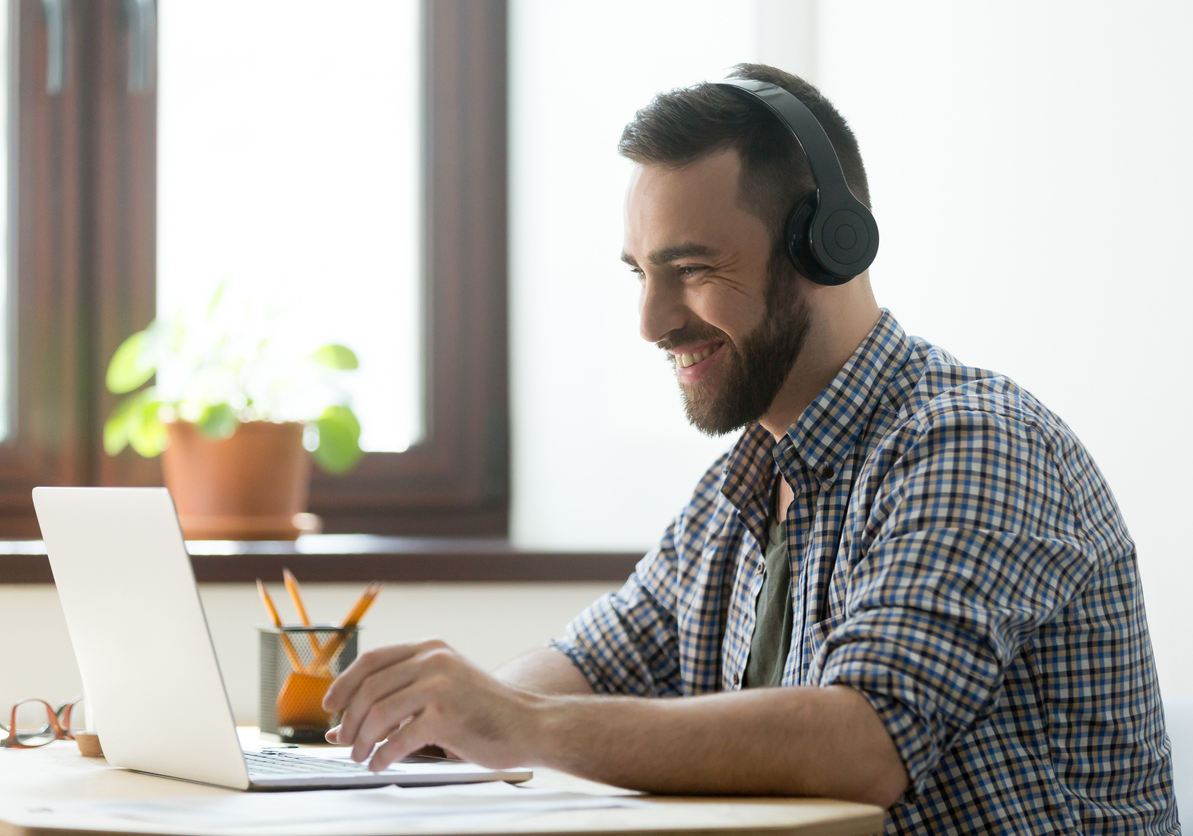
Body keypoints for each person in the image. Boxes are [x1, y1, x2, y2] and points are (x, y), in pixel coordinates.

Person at [322, 64, 1179, 833]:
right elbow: (593, 662)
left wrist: (519, 726)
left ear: (825, 248)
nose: (652, 322)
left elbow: (866, 741)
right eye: (640, 273)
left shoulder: (973, 444)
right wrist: (442, 716)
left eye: (691, 270)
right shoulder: (742, 485)